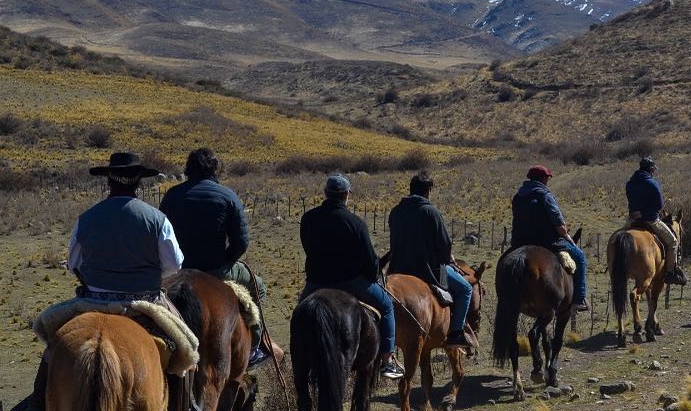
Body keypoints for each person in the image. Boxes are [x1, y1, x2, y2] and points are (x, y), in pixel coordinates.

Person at [12, 152, 202, 411]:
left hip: (91, 302)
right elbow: (174, 265)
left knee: (54, 341)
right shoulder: (156, 219)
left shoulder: (87, 218)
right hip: (144, 302)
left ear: (108, 182)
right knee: (186, 344)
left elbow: (74, 263)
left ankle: (37, 402)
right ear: (138, 183)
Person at [160, 147, 280, 369]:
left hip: (177, 271)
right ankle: (254, 347)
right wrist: (226, 261)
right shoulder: (228, 196)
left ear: (189, 169)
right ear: (215, 169)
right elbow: (241, 241)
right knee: (258, 286)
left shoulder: (171, 196)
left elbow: (162, 236)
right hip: (216, 268)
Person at [300, 174, 405, 380]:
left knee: (300, 314)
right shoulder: (355, 223)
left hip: (316, 283)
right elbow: (369, 259)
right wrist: (372, 273)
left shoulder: (308, 218)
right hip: (351, 282)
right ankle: (387, 361)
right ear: (346, 195)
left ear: (326, 194)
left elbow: (308, 247)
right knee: (386, 305)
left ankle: (306, 361)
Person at [387, 171, 473, 349]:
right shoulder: (431, 212)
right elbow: (444, 244)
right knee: (465, 289)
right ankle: (456, 332)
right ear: (428, 191)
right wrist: (447, 261)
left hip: (398, 269)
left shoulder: (395, 212)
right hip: (428, 270)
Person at [510, 165, 590, 311]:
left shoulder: (518, 196)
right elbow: (558, 223)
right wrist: (566, 234)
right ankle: (579, 300)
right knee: (580, 257)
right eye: (546, 178)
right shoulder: (545, 196)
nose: (547, 181)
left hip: (519, 242)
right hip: (547, 242)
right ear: (543, 179)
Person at [625, 156, 687, 286]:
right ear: (651, 169)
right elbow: (659, 205)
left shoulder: (630, 183)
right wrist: (645, 213)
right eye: (653, 169)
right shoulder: (653, 184)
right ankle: (670, 273)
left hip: (632, 220)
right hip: (650, 220)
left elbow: (631, 201)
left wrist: (636, 212)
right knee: (673, 242)